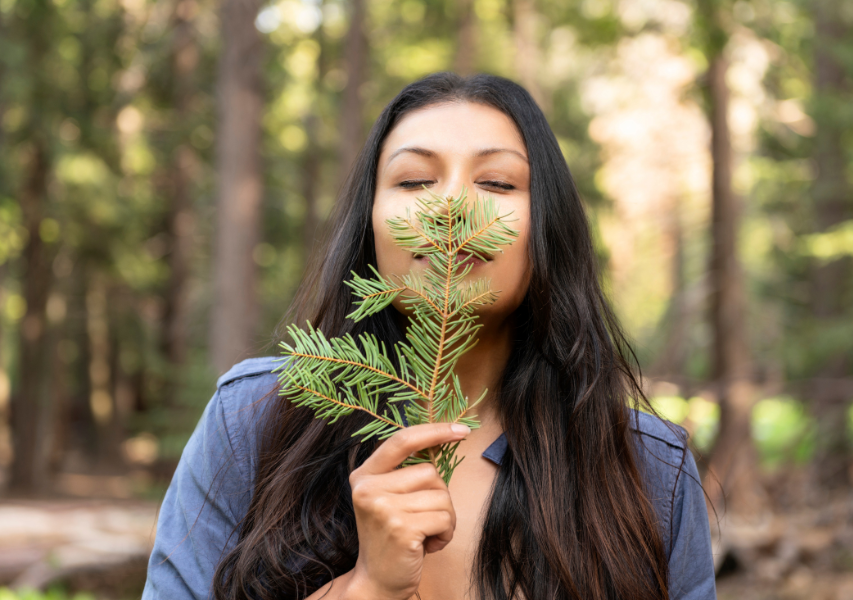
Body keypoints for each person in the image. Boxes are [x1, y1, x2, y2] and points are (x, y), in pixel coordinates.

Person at [142, 73, 716, 600]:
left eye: (496, 182)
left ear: (547, 226)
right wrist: (366, 587)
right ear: (368, 223)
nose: (451, 209)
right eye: (415, 180)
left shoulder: (648, 467)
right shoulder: (254, 418)